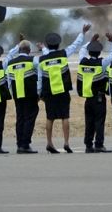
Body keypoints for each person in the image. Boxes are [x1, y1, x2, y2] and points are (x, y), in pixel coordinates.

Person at [37, 25, 85, 153]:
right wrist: (82, 32)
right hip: (63, 91)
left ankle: (49, 143)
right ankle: (66, 142)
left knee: (50, 118)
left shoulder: (42, 59)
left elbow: (40, 79)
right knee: (65, 117)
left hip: (49, 93)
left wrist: (39, 93)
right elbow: (76, 45)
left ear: (47, 44)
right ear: (58, 44)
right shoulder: (63, 54)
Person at [76, 29, 112, 153]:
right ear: (99, 53)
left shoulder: (83, 62)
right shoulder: (102, 63)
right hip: (99, 98)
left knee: (89, 122)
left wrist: (90, 42)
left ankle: (88, 145)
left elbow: (82, 50)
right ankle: (99, 144)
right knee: (99, 122)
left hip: (88, 98)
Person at [5, 36, 40, 153]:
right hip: (31, 94)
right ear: (29, 50)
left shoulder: (10, 63)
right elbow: (40, 75)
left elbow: (8, 79)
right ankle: (25, 144)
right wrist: (39, 92)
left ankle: (20, 144)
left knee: (20, 118)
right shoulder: (33, 60)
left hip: (17, 94)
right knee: (30, 117)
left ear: (19, 50)